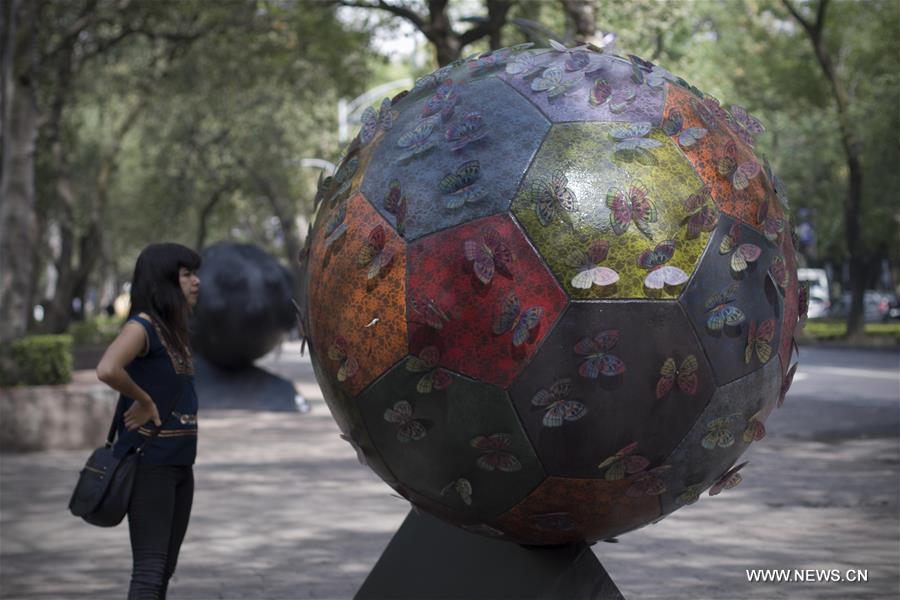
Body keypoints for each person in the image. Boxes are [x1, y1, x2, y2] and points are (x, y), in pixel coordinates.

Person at [96, 243, 201, 599]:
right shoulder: (142, 326)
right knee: (150, 571)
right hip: (150, 465)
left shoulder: (174, 332)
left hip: (180, 464)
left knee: (163, 571)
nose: (196, 282)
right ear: (164, 281)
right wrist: (142, 398)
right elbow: (107, 368)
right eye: (186, 275)